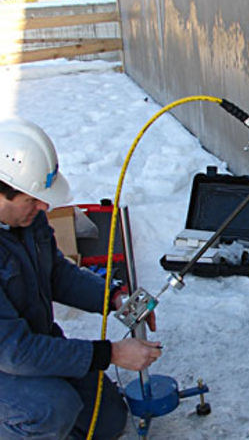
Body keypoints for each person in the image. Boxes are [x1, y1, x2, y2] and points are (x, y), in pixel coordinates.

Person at [0, 117, 162, 439]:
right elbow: (14, 352)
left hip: (32, 345)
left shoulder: (28, 222)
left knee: (108, 418)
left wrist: (116, 296)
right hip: (9, 360)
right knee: (52, 408)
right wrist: (111, 353)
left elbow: (57, 274)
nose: (44, 206)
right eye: (32, 199)